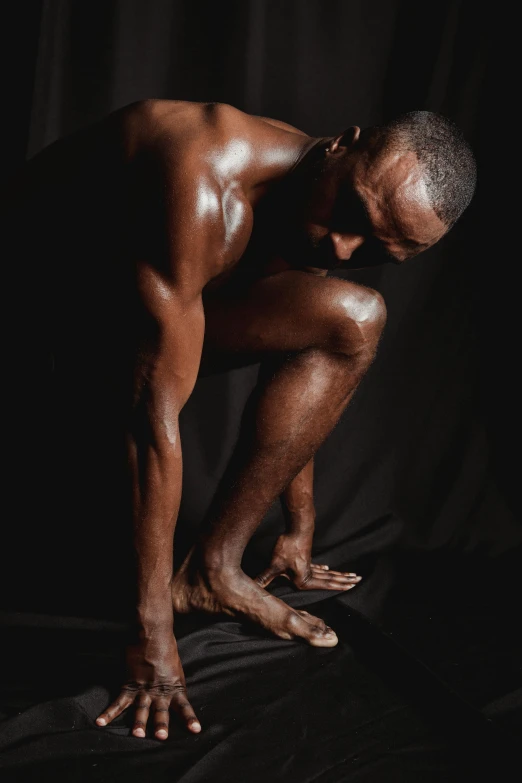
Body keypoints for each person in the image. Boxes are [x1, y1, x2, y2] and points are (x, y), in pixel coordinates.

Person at [6, 100, 476, 740]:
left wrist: (298, 526)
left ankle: (213, 570)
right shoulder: (200, 172)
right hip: (33, 304)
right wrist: (153, 640)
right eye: (353, 217)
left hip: (118, 303)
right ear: (344, 144)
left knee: (354, 318)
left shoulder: (319, 199)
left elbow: (298, 370)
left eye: (376, 249)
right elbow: (151, 420)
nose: (344, 246)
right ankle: (172, 598)